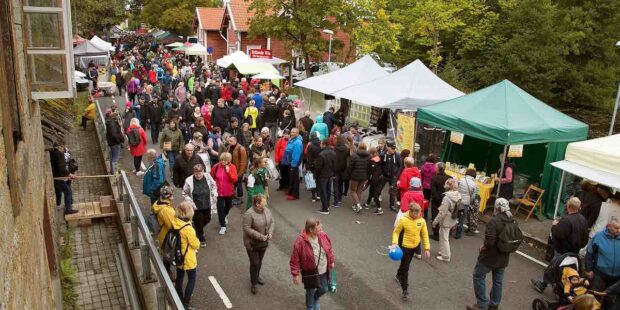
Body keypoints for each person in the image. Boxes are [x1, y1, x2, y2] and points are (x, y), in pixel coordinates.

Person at [531, 197, 589, 292]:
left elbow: (558, 234)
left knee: (554, 266)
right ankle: (566, 288)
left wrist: (554, 226)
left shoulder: (566, 220)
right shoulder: (583, 220)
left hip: (562, 250)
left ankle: (542, 284)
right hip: (575, 250)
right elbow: (585, 239)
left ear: (568, 206)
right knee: (569, 269)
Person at [467, 198, 515, 310]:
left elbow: (489, 242)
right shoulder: (511, 219)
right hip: (504, 256)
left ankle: (482, 304)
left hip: (490, 257)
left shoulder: (494, 221)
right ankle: (494, 305)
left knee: (478, 276)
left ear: (497, 208)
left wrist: (482, 247)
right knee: (498, 281)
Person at [290, 218, 335, 310]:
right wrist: (295, 274)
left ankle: (314, 300)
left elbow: (329, 249)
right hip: (310, 272)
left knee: (324, 289)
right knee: (310, 291)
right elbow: (295, 259)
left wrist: (331, 261)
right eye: (318, 228)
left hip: (323, 269)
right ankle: (310, 307)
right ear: (311, 229)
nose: (321, 230)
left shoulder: (323, 235)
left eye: (321, 227)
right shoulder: (300, 241)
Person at [391, 203, 431, 300]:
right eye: (414, 213)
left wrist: (427, 248)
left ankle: (398, 275)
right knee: (406, 267)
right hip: (405, 246)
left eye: (418, 213)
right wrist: (395, 243)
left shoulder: (421, 221)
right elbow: (396, 232)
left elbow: (425, 235)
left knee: (406, 264)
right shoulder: (403, 220)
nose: (416, 215)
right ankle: (405, 290)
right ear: (410, 211)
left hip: (415, 246)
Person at [243, 194, 275, 294]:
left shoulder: (266, 210)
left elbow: (272, 222)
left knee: (259, 261)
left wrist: (270, 232)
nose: (266, 204)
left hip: (263, 242)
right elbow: (247, 228)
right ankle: (253, 284)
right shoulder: (249, 214)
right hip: (252, 243)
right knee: (255, 263)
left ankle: (256, 276)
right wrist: (261, 237)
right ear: (257, 204)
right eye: (264, 202)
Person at [182, 163, 218, 247]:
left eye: (200, 172)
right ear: (193, 172)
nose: (198, 175)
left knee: (208, 219)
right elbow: (185, 193)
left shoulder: (208, 176)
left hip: (207, 203)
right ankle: (201, 238)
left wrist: (215, 195)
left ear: (203, 171)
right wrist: (191, 202)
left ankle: (198, 227)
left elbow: (213, 186)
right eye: (196, 173)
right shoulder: (189, 180)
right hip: (196, 206)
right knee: (199, 221)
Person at [173, 201, 200, 310]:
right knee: (192, 279)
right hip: (187, 258)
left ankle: (178, 297)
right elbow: (195, 244)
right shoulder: (188, 229)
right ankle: (186, 303)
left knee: (180, 277)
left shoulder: (175, 221)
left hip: (178, 255)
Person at [585, 218, 620, 299]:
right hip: (600, 274)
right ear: (608, 226)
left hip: (617, 277)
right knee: (594, 298)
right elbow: (589, 253)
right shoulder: (599, 236)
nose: (618, 230)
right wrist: (588, 269)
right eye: (616, 228)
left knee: (610, 301)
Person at [432, 178, 461, 263]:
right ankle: (442, 251)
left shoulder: (446, 198)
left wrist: (435, 222)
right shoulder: (458, 195)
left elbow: (442, 212)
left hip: (446, 219)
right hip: (452, 218)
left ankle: (446, 256)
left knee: (444, 238)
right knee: (443, 235)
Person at [211, 152, 238, 235]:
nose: (223, 161)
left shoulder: (232, 167)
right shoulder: (216, 166)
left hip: (229, 192)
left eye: (225, 160)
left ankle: (225, 215)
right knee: (220, 209)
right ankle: (223, 226)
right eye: (222, 160)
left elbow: (234, 179)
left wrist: (228, 172)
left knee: (228, 206)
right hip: (218, 192)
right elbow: (211, 177)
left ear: (229, 160)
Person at [151, 184, 175, 276]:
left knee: (165, 254)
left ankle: (167, 270)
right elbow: (172, 226)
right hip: (166, 236)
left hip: (162, 234)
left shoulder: (158, 203)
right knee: (167, 255)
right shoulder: (166, 210)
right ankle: (167, 272)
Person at [50, 140, 77, 214]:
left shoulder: (52, 152)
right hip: (59, 177)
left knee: (59, 191)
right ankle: (68, 209)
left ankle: (59, 205)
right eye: (63, 147)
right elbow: (62, 168)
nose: (64, 149)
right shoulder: (60, 154)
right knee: (67, 191)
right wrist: (70, 174)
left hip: (55, 176)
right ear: (59, 147)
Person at [222, 136, 248, 205]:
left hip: (238, 170)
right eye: (228, 141)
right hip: (231, 169)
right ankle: (233, 196)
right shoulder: (229, 147)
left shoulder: (241, 149)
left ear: (235, 140)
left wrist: (240, 173)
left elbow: (243, 162)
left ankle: (240, 198)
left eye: (230, 141)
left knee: (239, 184)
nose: (229, 142)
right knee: (232, 183)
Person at [430, 162, 452, 240]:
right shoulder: (449, 178)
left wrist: (438, 200)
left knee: (435, 216)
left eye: (435, 167)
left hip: (436, 201)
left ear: (438, 169)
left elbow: (433, 191)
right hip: (447, 200)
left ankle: (436, 234)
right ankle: (444, 234)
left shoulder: (434, 178)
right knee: (445, 216)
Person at [314, 139, 336, 215]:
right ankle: (327, 205)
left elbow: (318, 167)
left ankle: (325, 209)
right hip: (330, 174)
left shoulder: (321, 154)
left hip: (323, 175)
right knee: (328, 190)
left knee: (323, 192)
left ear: (324, 144)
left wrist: (315, 175)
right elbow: (335, 165)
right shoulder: (333, 153)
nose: (320, 144)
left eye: (321, 143)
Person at [346, 142, 370, 212]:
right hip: (364, 176)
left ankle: (358, 205)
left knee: (353, 191)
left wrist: (349, 175)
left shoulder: (354, 155)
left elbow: (350, 167)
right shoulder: (368, 156)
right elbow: (369, 168)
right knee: (359, 191)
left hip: (355, 176)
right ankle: (355, 205)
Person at [456, 169, 480, 238]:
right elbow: (473, 196)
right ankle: (458, 234)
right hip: (466, 202)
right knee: (461, 218)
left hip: (458, 200)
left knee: (454, 215)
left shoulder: (460, 180)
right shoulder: (474, 184)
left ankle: (450, 230)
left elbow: (456, 189)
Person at [382, 141, 403, 211]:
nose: (393, 150)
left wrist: (397, 175)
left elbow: (400, 166)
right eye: (392, 148)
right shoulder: (383, 154)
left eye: (394, 148)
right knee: (378, 189)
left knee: (393, 191)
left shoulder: (397, 155)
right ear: (387, 147)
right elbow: (380, 164)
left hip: (393, 177)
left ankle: (392, 205)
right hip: (384, 176)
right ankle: (375, 201)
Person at [285, 128, 304, 201]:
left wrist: (293, 165)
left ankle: (295, 195)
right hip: (291, 161)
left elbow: (296, 156)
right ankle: (290, 191)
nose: (292, 133)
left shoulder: (298, 142)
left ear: (297, 134)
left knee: (295, 179)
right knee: (291, 177)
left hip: (294, 163)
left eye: (294, 132)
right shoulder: (292, 139)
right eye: (291, 132)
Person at [366, 147, 384, 215]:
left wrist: (367, 178)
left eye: (370, 153)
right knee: (371, 191)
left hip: (374, 180)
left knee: (375, 195)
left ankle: (379, 209)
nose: (369, 155)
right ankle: (367, 203)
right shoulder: (379, 159)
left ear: (373, 153)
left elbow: (370, 171)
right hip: (379, 179)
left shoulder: (372, 161)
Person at [333, 136, 350, 206]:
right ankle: (340, 198)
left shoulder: (335, 149)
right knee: (341, 184)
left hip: (335, 169)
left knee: (335, 185)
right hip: (343, 169)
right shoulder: (346, 149)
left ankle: (336, 201)